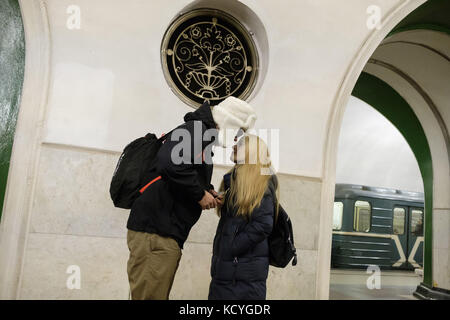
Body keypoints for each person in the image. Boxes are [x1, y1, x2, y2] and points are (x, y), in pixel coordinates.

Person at [126, 96, 257, 300]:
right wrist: (199, 194)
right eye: (239, 131)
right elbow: (169, 163)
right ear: (230, 121)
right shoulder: (195, 130)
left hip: (161, 231)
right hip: (156, 233)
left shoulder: (201, 134)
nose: (237, 138)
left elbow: (182, 169)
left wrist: (208, 190)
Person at [208, 134, 279, 300]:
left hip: (244, 279)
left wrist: (232, 246)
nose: (233, 146)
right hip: (228, 273)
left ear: (252, 152)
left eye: (239, 145)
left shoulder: (262, 182)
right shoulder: (235, 181)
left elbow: (263, 225)